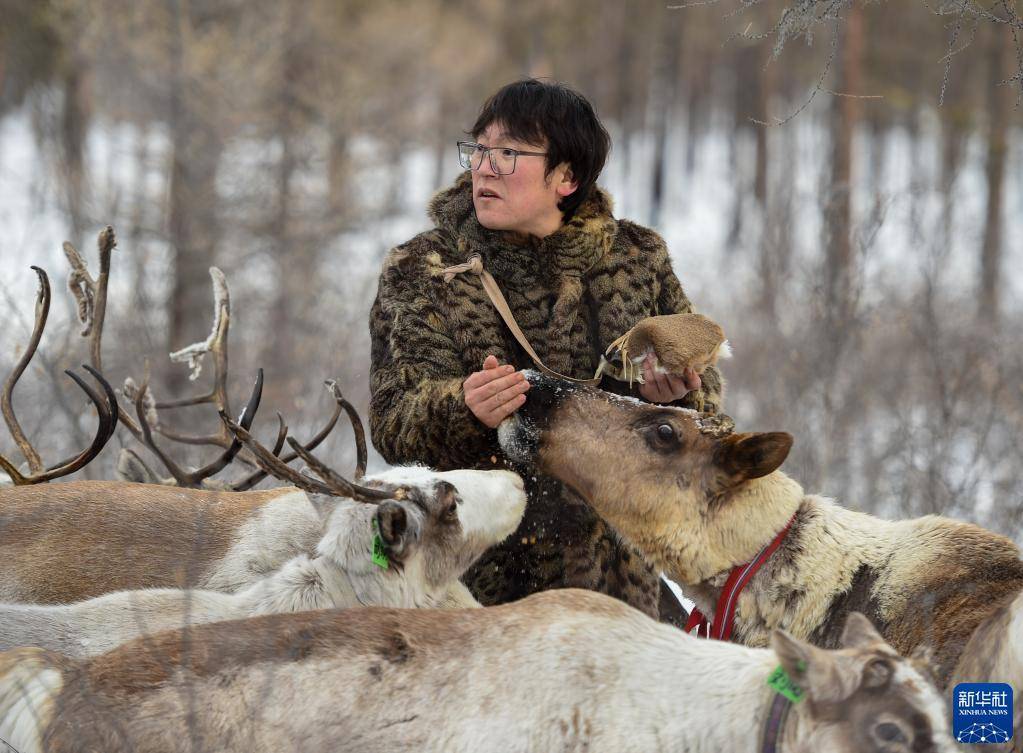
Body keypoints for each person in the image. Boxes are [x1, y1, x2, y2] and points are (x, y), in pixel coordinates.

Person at [368, 78, 723, 620]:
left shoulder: (638, 259)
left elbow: (710, 422)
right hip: (478, 598)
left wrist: (676, 398)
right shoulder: (425, 270)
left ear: (567, 177)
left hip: (622, 593)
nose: (484, 167)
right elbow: (393, 426)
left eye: (509, 153)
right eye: (480, 149)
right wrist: (463, 409)